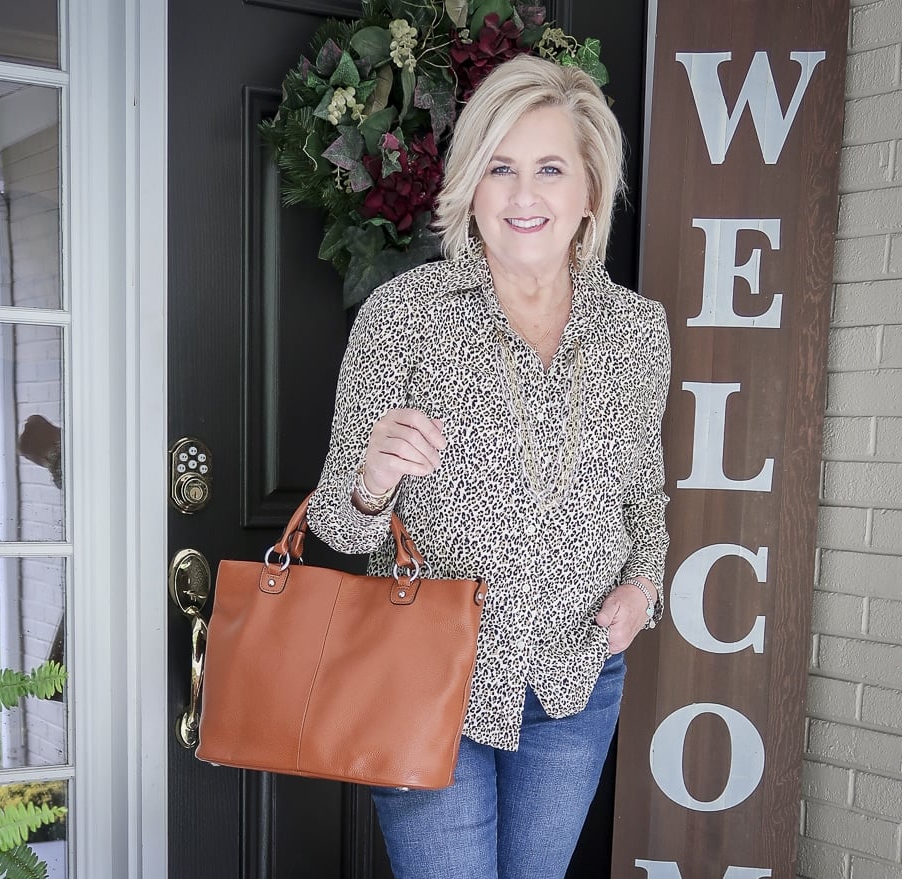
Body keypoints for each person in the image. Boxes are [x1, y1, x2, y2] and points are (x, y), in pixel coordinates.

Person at [307, 53, 670, 879]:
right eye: (500, 169)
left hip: (574, 677)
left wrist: (644, 587)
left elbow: (646, 496)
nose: (523, 194)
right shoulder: (402, 317)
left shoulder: (639, 333)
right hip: (425, 673)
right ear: (471, 185)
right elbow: (334, 519)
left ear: (589, 191)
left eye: (549, 168)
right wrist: (371, 478)